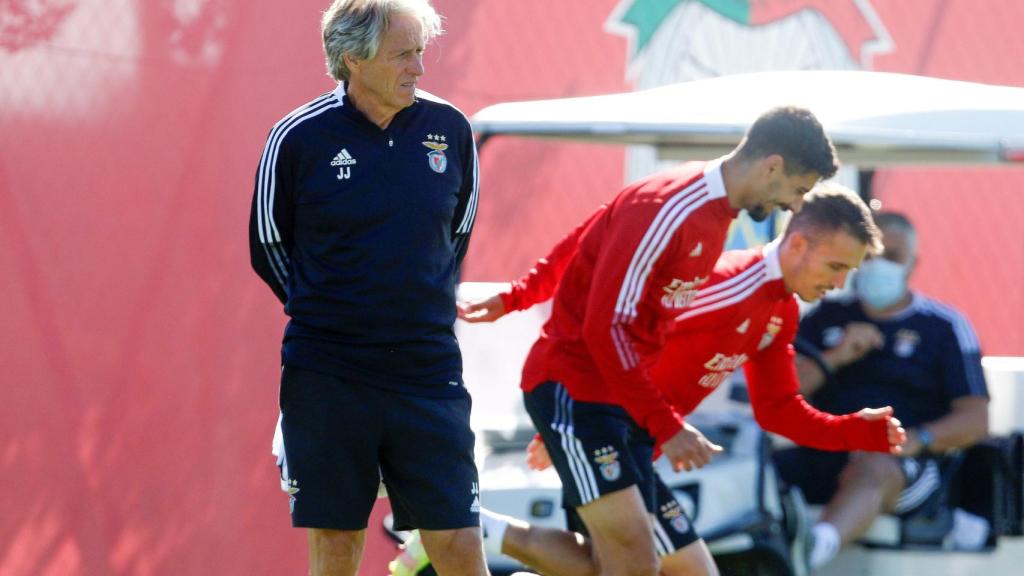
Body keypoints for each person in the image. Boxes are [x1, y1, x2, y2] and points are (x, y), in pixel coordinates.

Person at [392, 184, 907, 576]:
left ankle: (480, 530)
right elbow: (617, 336)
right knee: (638, 568)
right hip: (602, 426)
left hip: (631, 440)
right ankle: (471, 530)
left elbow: (778, 410)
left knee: (621, 566)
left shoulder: (780, 311)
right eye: (837, 266)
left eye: (849, 273)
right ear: (797, 244)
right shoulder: (725, 286)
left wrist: (856, 431)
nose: (840, 283)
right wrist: (571, 426)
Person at [248, 1, 484, 575]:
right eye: (404, 54)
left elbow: (455, 237)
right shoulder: (298, 136)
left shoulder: (449, 130)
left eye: (420, 52)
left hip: (427, 370)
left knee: (456, 540)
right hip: (329, 370)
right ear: (353, 59)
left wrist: (408, 310)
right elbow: (268, 244)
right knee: (335, 541)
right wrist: (334, 313)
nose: (419, 68)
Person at [775, 211, 990, 571]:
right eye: (871, 254)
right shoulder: (824, 318)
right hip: (823, 452)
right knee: (752, 466)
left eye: (892, 257)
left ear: (912, 264)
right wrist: (836, 355)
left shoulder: (944, 327)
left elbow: (976, 419)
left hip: (904, 465)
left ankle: (810, 555)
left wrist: (918, 438)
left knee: (874, 461)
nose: (879, 265)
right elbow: (781, 392)